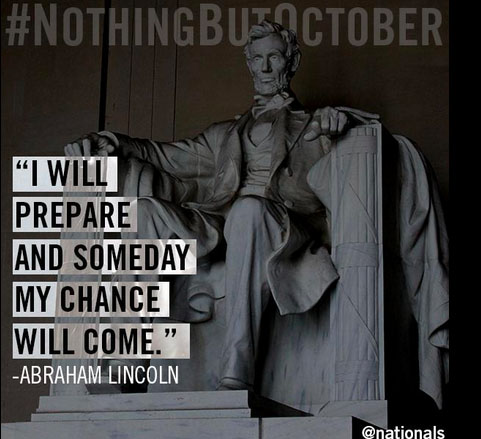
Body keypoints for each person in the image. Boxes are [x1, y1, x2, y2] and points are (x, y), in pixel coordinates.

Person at [65, 20, 358, 391]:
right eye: (257, 59)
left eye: (274, 57)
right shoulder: (225, 134)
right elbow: (167, 156)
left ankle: (238, 365)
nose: (265, 67)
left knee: (249, 210)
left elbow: (344, 165)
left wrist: (336, 131)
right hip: (220, 223)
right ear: (249, 64)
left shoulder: (316, 124)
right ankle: (130, 358)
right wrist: (113, 143)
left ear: (292, 62)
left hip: (285, 226)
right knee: (144, 211)